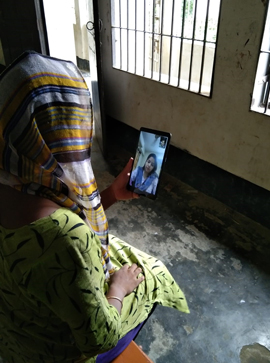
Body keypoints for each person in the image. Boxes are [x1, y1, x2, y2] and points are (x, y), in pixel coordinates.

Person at [0, 51, 189, 363]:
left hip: (13, 336)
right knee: (153, 273)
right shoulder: (67, 239)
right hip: (55, 352)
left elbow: (55, 219)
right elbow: (98, 337)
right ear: (66, 134)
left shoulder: (15, 181)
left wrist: (111, 194)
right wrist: (118, 287)